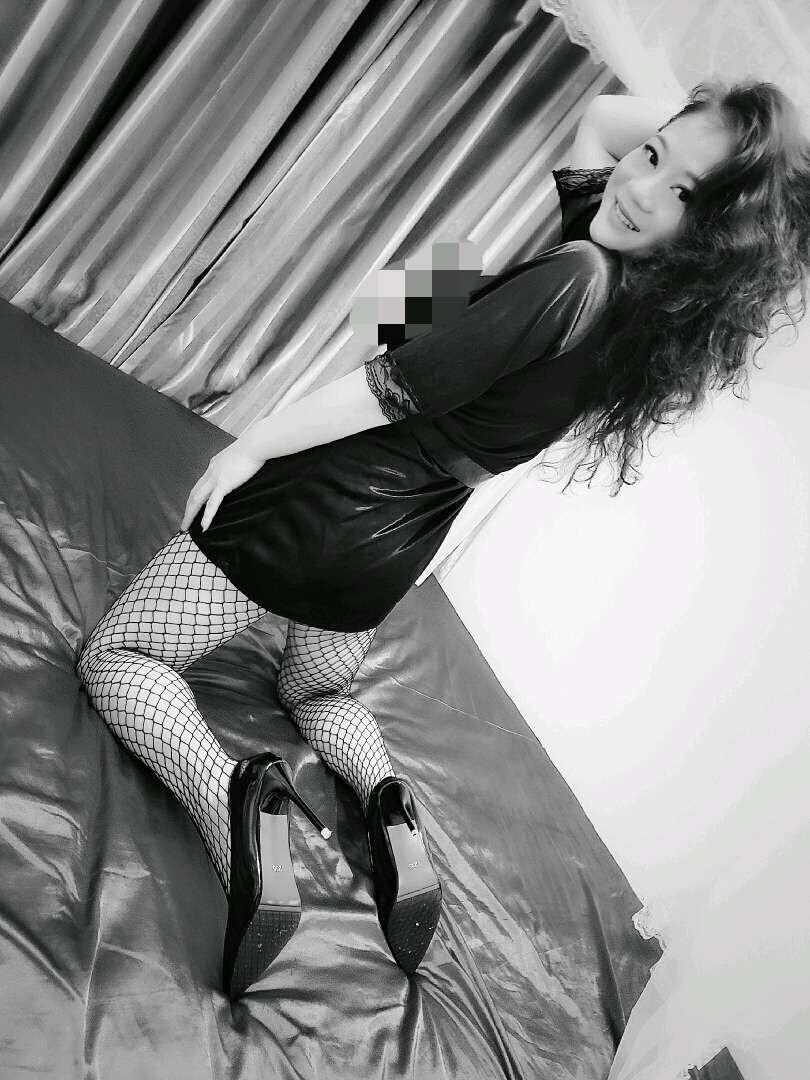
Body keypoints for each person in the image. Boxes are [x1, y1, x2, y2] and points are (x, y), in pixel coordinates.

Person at [76, 80, 810, 1000]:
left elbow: (386, 388)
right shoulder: (643, 315)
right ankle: (388, 805)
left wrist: (252, 444)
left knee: (119, 657)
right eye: (653, 154)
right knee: (315, 687)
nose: (638, 186)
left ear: (711, 240)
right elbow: (603, 121)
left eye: (686, 196)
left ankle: (234, 806)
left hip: (324, 500)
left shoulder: (574, 277)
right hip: (404, 535)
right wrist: (710, 138)